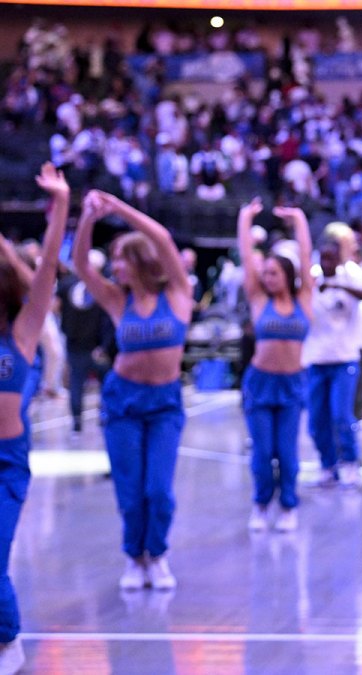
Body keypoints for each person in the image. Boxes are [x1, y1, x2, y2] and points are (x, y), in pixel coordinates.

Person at [74, 189, 195, 591]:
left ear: (139, 261)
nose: (114, 268)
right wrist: (89, 218)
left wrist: (119, 209)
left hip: (163, 403)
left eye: (120, 260)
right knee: (130, 491)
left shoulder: (177, 294)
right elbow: (78, 264)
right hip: (122, 401)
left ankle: (156, 554)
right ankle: (135, 556)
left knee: (157, 490)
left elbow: (160, 235)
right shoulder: (116, 299)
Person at [0, 163, 69, 671]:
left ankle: (7, 640)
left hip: (5, 463)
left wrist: (61, 205)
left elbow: (45, 269)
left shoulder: (21, 333)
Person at [237, 199, 313, 531]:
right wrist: (245, 219)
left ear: (286, 275)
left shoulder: (303, 299)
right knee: (263, 453)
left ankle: (287, 505)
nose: (267, 277)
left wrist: (299, 221)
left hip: (292, 384)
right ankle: (261, 502)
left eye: (273, 272)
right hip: (260, 383)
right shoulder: (258, 300)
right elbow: (245, 257)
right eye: (264, 272)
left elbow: (306, 257)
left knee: (288, 453)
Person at [303, 238, 362, 487]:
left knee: (341, 416)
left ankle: (351, 463)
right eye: (322, 258)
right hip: (316, 360)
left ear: (339, 259)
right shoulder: (311, 285)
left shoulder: (350, 280)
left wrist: (338, 284)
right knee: (316, 420)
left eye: (331, 258)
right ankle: (327, 465)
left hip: (344, 360)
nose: (326, 263)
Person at [57, 248, 114, 435]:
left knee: (76, 383)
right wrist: (105, 345)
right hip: (97, 346)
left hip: (75, 344)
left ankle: (76, 422)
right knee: (105, 383)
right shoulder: (104, 288)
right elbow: (109, 320)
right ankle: (104, 417)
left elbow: (56, 309)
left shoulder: (66, 284)